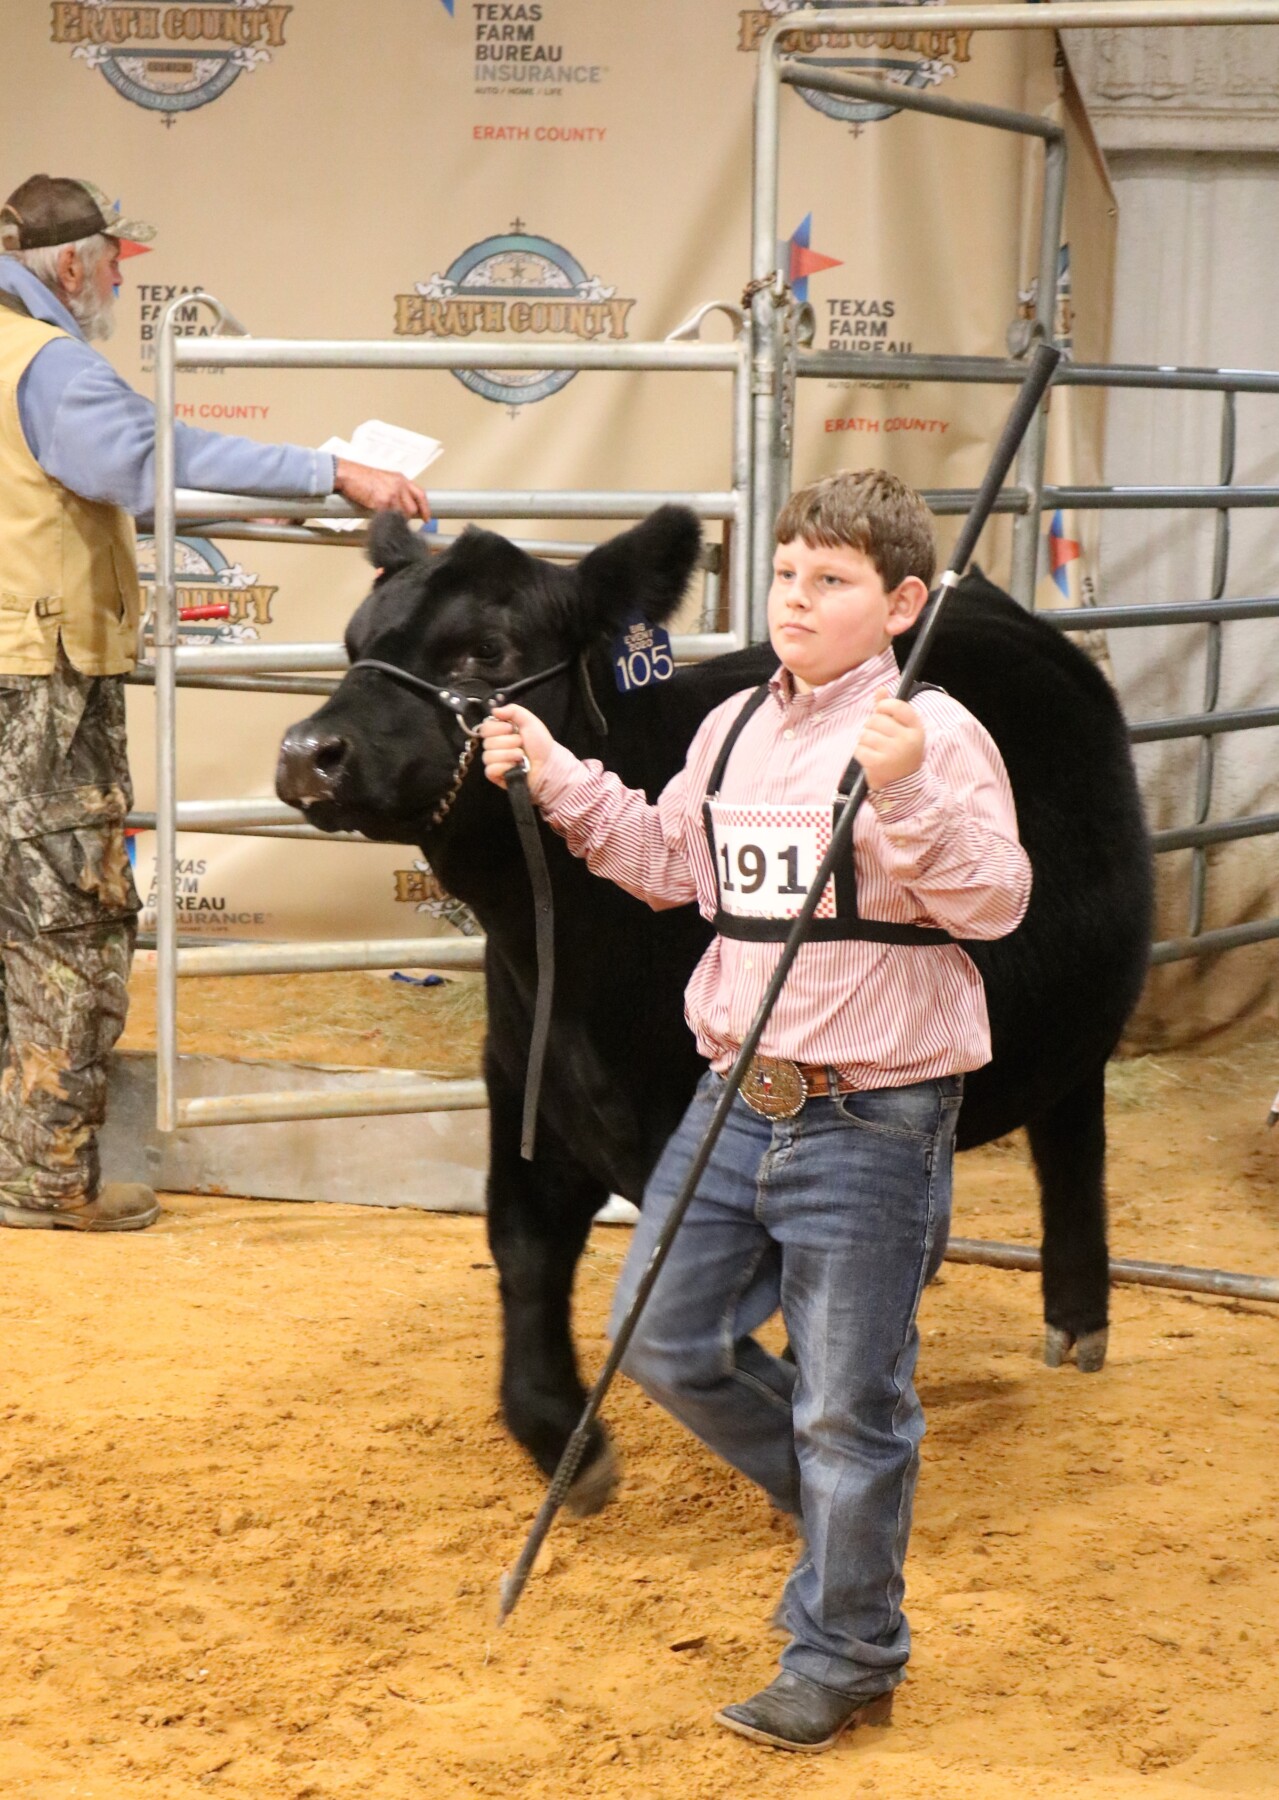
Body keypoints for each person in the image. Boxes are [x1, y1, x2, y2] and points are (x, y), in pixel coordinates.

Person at [480, 470, 1032, 1752]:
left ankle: (845, 1649)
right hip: (732, 1099)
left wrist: (901, 795)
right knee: (661, 1339)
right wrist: (561, 774)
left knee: (851, 1399)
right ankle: (844, 1502)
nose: (797, 599)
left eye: (830, 582)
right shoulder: (732, 727)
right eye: (786, 576)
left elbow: (993, 903)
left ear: (899, 603)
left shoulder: (931, 733)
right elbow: (673, 866)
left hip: (872, 1118)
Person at [0, 174, 431, 1234]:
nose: (116, 279)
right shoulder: (46, 364)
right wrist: (330, 470)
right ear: (71, 264)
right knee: (68, 917)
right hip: (37, 673)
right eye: (113, 260)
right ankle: (45, 1178)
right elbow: (150, 460)